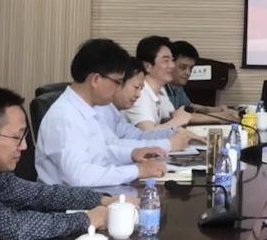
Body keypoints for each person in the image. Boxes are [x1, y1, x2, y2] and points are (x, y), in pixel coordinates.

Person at [0, 88, 160, 240]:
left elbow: (42, 194)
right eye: (16, 137)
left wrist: (103, 200)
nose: (24, 146)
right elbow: (13, 227)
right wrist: (86, 220)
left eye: (24, 136)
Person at [36, 38, 170, 188]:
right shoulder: (65, 117)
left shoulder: (86, 108)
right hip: (72, 200)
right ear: (96, 79)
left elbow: (98, 155)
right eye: (117, 82)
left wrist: (132, 154)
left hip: (93, 192)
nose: (118, 89)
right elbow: (79, 176)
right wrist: (137, 170)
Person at [96, 62, 199, 153]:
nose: (138, 95)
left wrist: (172, 132)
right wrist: (168, 144)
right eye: (136, 87)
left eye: (141, 89)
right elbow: (112, 146)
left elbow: (138, 135)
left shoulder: (114, 111)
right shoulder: (99, 109)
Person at [127, 35, 191, 131]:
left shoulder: (160, 89)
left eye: (172, 60)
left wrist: (178, 118)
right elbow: (148, 132)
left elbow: (169, 118)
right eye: (166, 60)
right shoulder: (139, 93)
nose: (172, 65)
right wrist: (178, 120)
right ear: (147, 66)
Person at [168, 40, 240, 125]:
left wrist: (213, 110)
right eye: (183, 67)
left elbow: (189, 106)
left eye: (191, 68)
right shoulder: (161, 88)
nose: (188, 73)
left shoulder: (177, 86)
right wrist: (219, 117)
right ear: (169, 64)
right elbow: (173, 118)